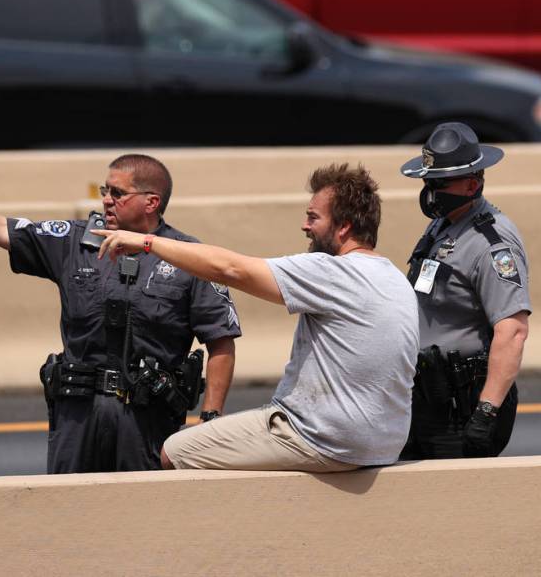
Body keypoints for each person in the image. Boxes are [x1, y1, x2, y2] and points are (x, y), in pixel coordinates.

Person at [0, 154, 240, 473]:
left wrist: (209, 421)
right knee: (69, 518)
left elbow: (220, 340)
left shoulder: (189, 256)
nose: (106, 200)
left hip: (147, 421)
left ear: (151, 202)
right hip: (77, 416)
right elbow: (0, 229)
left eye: (117, 193)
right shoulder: (75, 241)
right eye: (105, 190)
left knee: (144, 521)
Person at [94, 163, 419, 472]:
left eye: (313, 217)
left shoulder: (332, 272)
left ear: (343, 226)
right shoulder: (394, 278)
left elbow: (230, 269)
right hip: (383, 445)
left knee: (175, 452)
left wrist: (148, 242)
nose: (305, 226)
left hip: (324, 439)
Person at [398, 122, 531, 459]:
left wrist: (486, 414)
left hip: (461, 407)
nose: (430, 190)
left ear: (472, 183)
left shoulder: (492, 244)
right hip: (424, 396)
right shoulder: (444, 223)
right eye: (428, 180)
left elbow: (512, 330)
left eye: (440, 183)